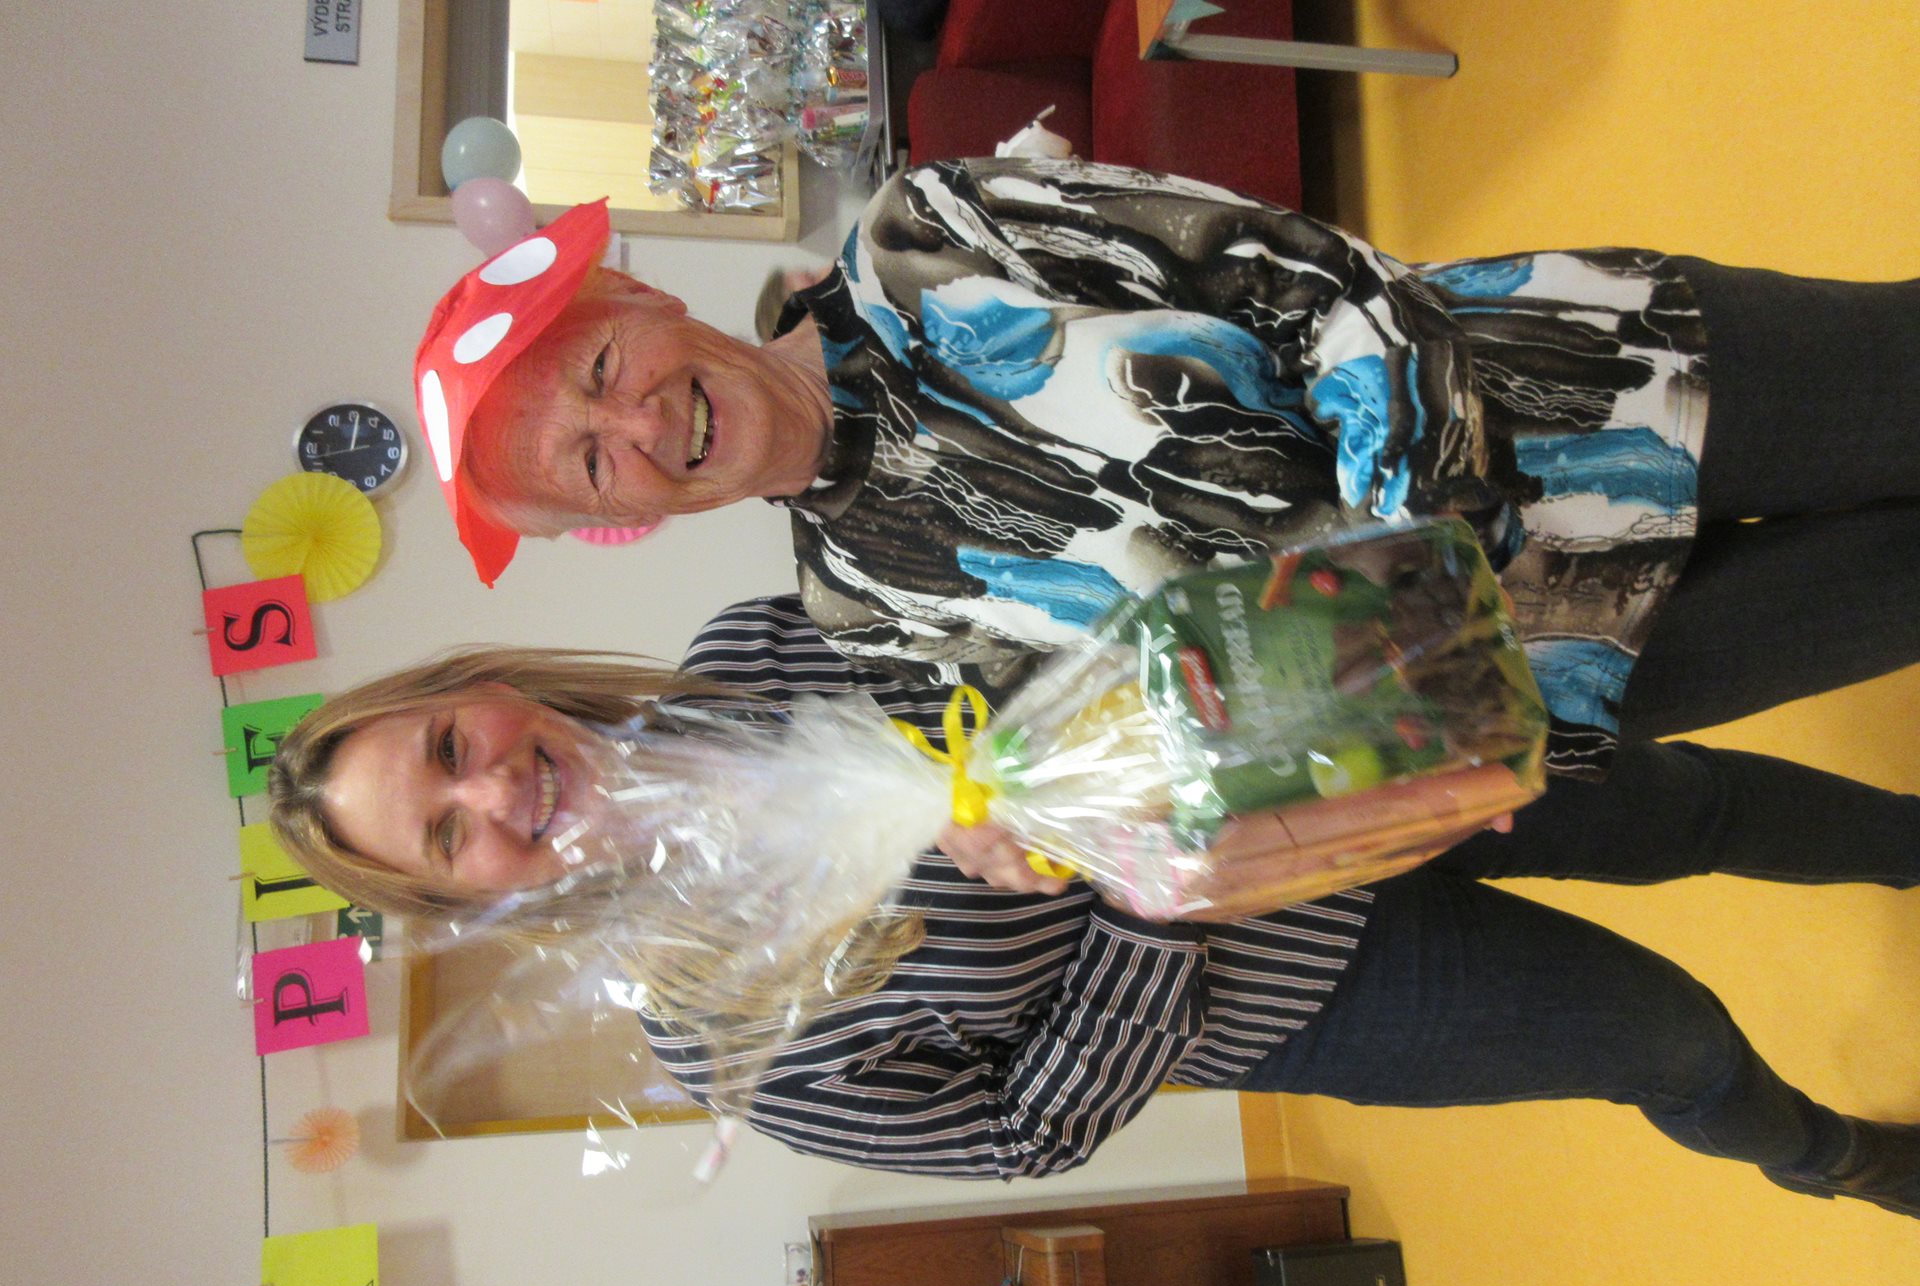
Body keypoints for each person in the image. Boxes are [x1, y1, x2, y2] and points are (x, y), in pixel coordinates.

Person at [264, 600, 1920, 1218]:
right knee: (1669, 1037)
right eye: (449, 836)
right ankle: (1831, 1158)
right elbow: (1017, 1135)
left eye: (450, 747)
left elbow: (1005, 620)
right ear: (462, 900)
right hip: (1326, 985)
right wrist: (1141, 894)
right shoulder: (719, 1026)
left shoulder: (749, 653)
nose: (495, 791)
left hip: (1312, 740)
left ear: (479, 690)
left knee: (1686, 801)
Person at [413, 158, 1920, 789]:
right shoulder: (867, 616)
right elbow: (1168, 750)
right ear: (614, 523)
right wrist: (1049, 833)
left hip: (1600, 386)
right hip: (1562, 659)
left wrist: (1405, 547)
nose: (637, 428)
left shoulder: (926, 235)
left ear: (640, 299)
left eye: (598, 372)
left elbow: (1301, 273)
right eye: (590, 467)